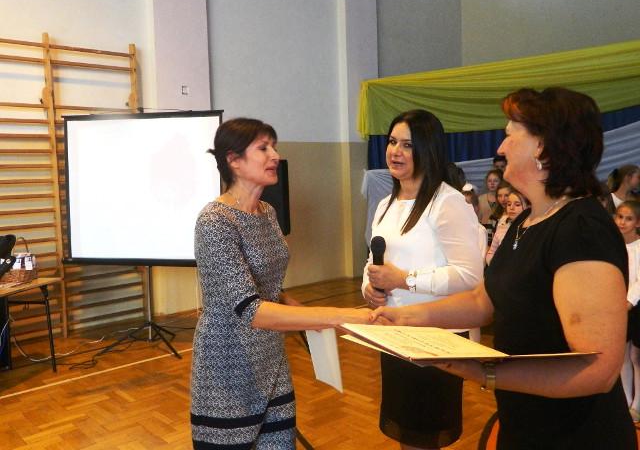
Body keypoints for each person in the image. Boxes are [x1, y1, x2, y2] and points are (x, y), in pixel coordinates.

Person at [372, 88, 637, 449]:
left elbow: (597, 370)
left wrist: (482, 369)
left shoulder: (581, 229)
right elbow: (483, 300)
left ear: (542, 147)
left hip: (575, 434)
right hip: (524, 420)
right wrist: (404, 318)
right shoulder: (527, 220)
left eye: (510, 134)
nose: (500, 148)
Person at [191, 117, 370, 450]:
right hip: (229, 365)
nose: (275, 155)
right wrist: (338, 316)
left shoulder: (268, 212)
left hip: (270, 358)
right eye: (263, 148)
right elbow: (251, 309)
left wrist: (314, 318)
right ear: (234, 160)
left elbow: (270, 288)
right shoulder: (215, 221)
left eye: (274, 146)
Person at [361, 109, 483, 450]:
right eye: (392, 142)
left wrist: (405, 280)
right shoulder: (385, 204)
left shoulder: (448, 202)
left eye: (408, 145)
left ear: (428, 150)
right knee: (405, 433)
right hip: (394, 332)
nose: (395, 151)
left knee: (425, 436)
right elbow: (373, 261)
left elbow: (469, 275)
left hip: (436, 335)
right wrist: (368, 289)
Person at [616, 201, 640, 420]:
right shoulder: (613, 246)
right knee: (622, 355)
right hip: (618, 306)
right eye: (620, 217)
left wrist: (629, 301)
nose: (622, 222)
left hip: (636, 307)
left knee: (636, 356)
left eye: (628, 218)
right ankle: (625, 400)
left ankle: (637, 403)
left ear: (638, 223)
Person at [485, 189, 529, 266]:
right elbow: (491, 252)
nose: (511, 208)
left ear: (528, 207)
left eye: (517, 205)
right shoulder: (502, 227)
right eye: (508, 204)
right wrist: (494, 264)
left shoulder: (533, 228)